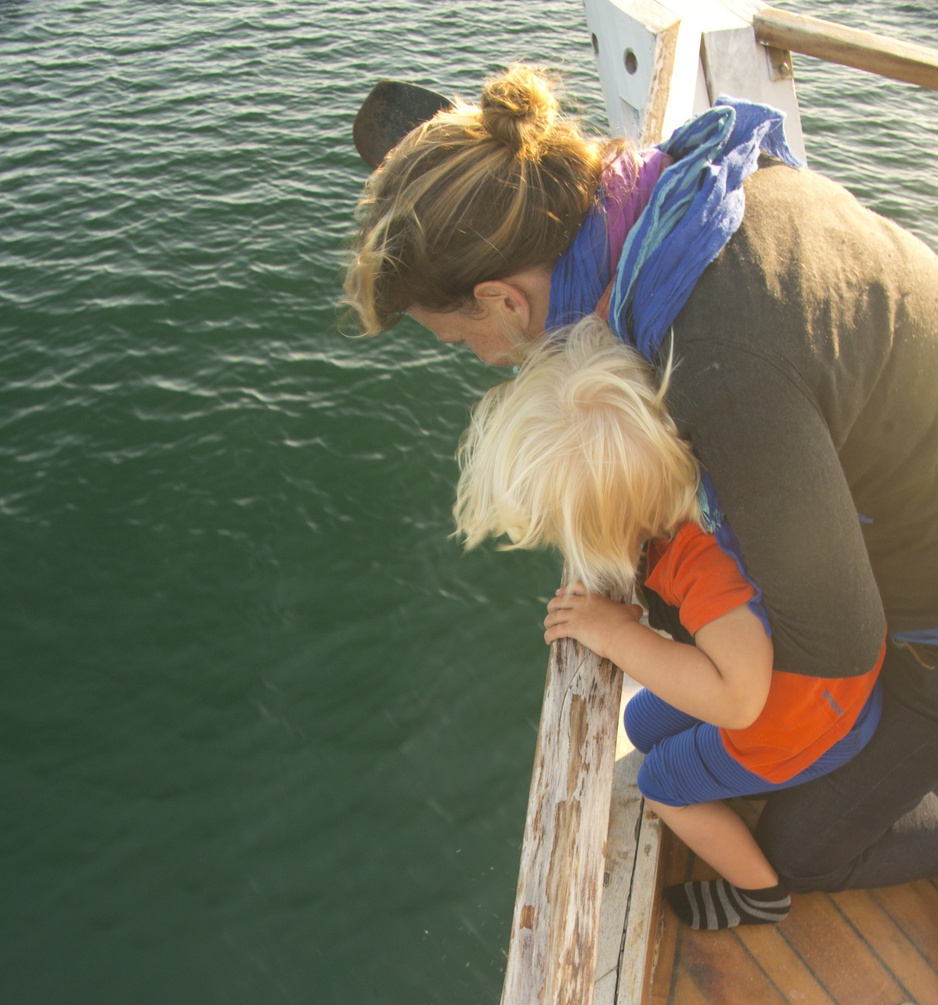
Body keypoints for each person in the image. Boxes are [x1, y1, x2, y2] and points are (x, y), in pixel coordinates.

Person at [343, 64, 938, 894]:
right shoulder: (676, 202)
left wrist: (669, 642)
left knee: (805, 854)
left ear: (503, 302)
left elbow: (835, 645)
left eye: (459, 339)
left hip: (916, 634)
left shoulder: (718, 371)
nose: (485, 360)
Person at [453, 315, 884, 928]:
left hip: (810, 715)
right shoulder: (686, 493)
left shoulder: (703, 567)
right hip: (814, 680)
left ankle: (759, 895)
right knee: (640, 719)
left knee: (660, 783)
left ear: (614, 529)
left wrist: (613, 632)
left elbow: (737, 700)